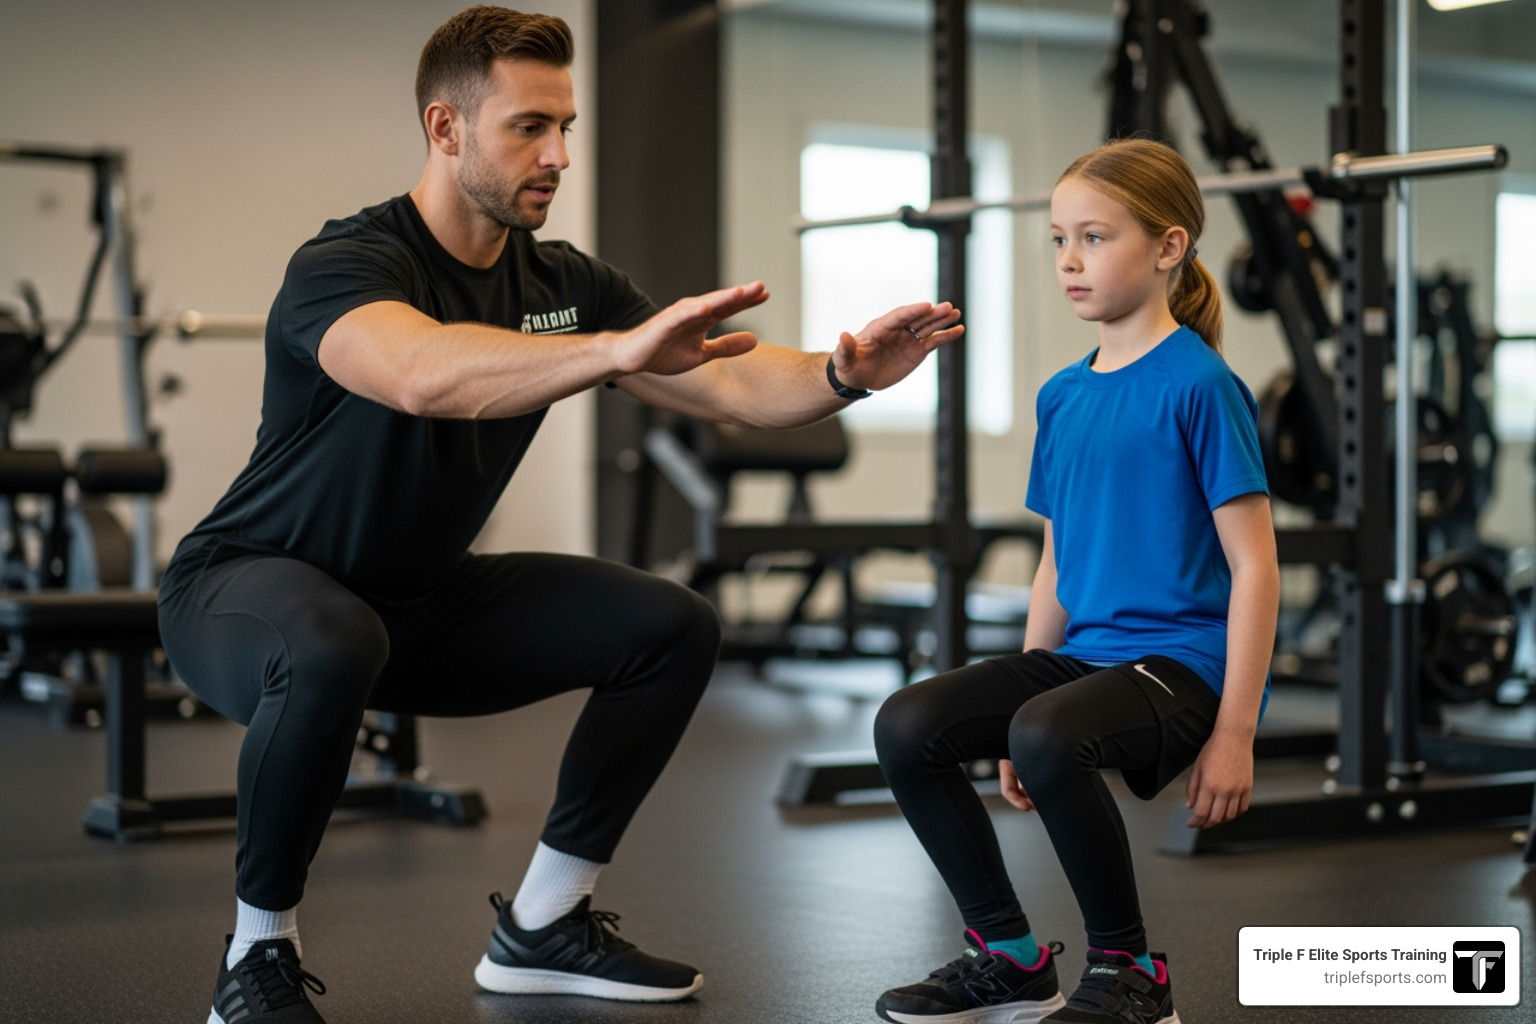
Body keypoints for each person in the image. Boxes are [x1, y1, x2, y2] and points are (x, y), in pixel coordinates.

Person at [158, 7, 964, 1024]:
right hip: (244, 587)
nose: (559, 156)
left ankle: (543, 924)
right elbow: (416, 372)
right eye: (528, 128)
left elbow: (729, 382)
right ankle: (255, 961)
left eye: (566, 127)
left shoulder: (562, 283)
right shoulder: (350, 264)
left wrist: (846, 372)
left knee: (670, 624)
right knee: (329, 639)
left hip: (415, 603)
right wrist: (611, 352)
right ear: (445, 130)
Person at [870, 137, 1279, 1024]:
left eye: (1094, 238)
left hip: (1183, 664)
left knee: (1051, 731)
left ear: (1168, 248)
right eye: (1060, 239)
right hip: (1088, 657)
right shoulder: (1063, 394)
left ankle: (1134, 977)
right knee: (908, 723)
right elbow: (1056, 560)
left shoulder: (1203, 386)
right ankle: (1009, 956)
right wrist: (1017, 699)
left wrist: (1237, 731)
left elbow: (1256, 567)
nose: (1069, 260)